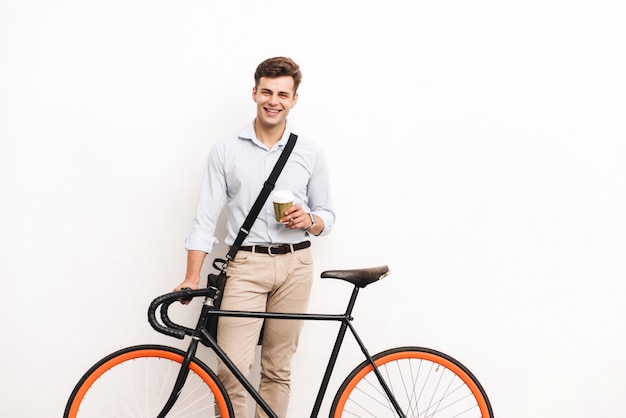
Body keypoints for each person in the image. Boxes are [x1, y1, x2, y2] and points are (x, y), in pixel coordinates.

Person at [174, 56, 335, 418]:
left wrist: (309, 220)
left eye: (282, 93)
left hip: (296, 264)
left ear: (294, 100)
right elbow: (204, 219)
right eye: (267, 91)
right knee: (229, 371)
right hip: (245, 265)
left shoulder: (309, 152)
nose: (273, 100)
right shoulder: (226, 149)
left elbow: (328, 215)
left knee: (278, 371)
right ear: (254, 93)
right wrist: (191, 276)